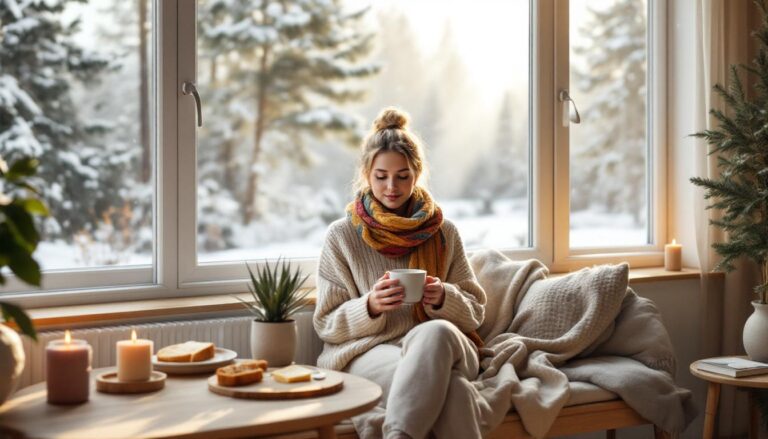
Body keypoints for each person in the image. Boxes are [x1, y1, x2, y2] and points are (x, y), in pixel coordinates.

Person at [313, 107, 487, 439]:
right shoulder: (342, 235)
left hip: (447, 345)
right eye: (381, 176)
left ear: (417, 173)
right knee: (453, 391)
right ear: (367, 174)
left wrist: (444, 297)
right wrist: (370, 306)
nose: (391, 186)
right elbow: (326, 323)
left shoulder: (442, 232)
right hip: (371, 350)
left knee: (434, 333)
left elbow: (476, 311)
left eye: (402, 176)